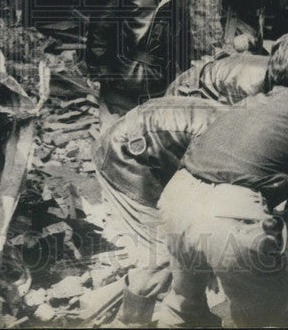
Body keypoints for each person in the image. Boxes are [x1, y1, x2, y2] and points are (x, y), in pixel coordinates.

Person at [155, 32, 288, 327]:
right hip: (228, 213)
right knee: (267, 314)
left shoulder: (247, 104)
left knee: (185, 305)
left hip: (176, 200)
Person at [93, 96, 224, 326]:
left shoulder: (247, 128)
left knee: (186, 243)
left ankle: (194, 315)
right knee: (164, 253)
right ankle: (129, 322)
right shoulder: (234, 147)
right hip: (126, 154)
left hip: (151, 146)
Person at [86, 0, 196, 128]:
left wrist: (184, 76)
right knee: (116, 145)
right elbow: (100, 29)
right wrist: (99, 73)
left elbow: (184, 37)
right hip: (122, 84)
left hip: (160, 87)